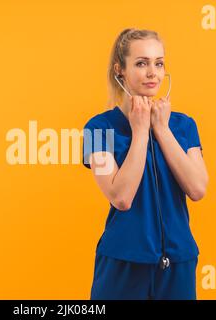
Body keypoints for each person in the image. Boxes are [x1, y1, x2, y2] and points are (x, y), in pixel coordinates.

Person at [82, 28, 209, 300]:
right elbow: (121, 197)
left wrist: (161, 130)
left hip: (179, 264)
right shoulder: (98, 129)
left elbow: (198, 188)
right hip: (123, 264)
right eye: (141, 63)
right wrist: (140, 132)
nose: (153, 72)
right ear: (120, 70)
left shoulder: (184, 125)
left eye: (159, 63)